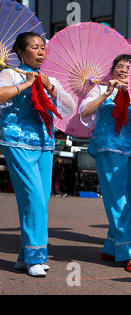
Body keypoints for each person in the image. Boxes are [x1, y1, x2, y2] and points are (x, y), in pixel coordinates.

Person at [0, 32, 76, 277]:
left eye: (43, 47)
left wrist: (50, 87)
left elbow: (69, 107)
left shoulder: (48, 78)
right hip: (17, 140)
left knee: (41, 201)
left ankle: (25, 256)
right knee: (32, 197)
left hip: (45, 142)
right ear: (21, 53)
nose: (41, 51)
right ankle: (36, 255)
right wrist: (25, 85)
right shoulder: (11, 73)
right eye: (35, 47)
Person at [80, 54, 131, 273]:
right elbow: (85, 112)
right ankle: (127, 252)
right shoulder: (100, 88)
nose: (124, 69)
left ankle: (111, 246)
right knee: (117, 199)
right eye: (120, 66)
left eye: (129, 67)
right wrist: (107, 93)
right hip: (108, 147)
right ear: (112, 70)